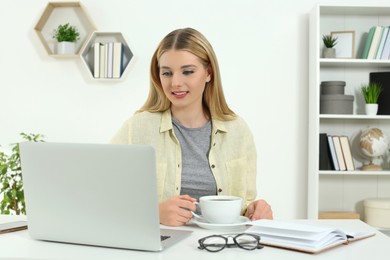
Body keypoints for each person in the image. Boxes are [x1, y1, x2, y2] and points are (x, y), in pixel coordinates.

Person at [111, 27, 273, 226]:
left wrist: (256, 208)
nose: (175, 83)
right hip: (162, 246)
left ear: (208, 73)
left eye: (188, 71)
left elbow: (245, 204)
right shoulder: (137, 128)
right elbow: (106, 193)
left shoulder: (238, 130)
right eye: (167, 73)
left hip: (221, 246)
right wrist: (153, 213)